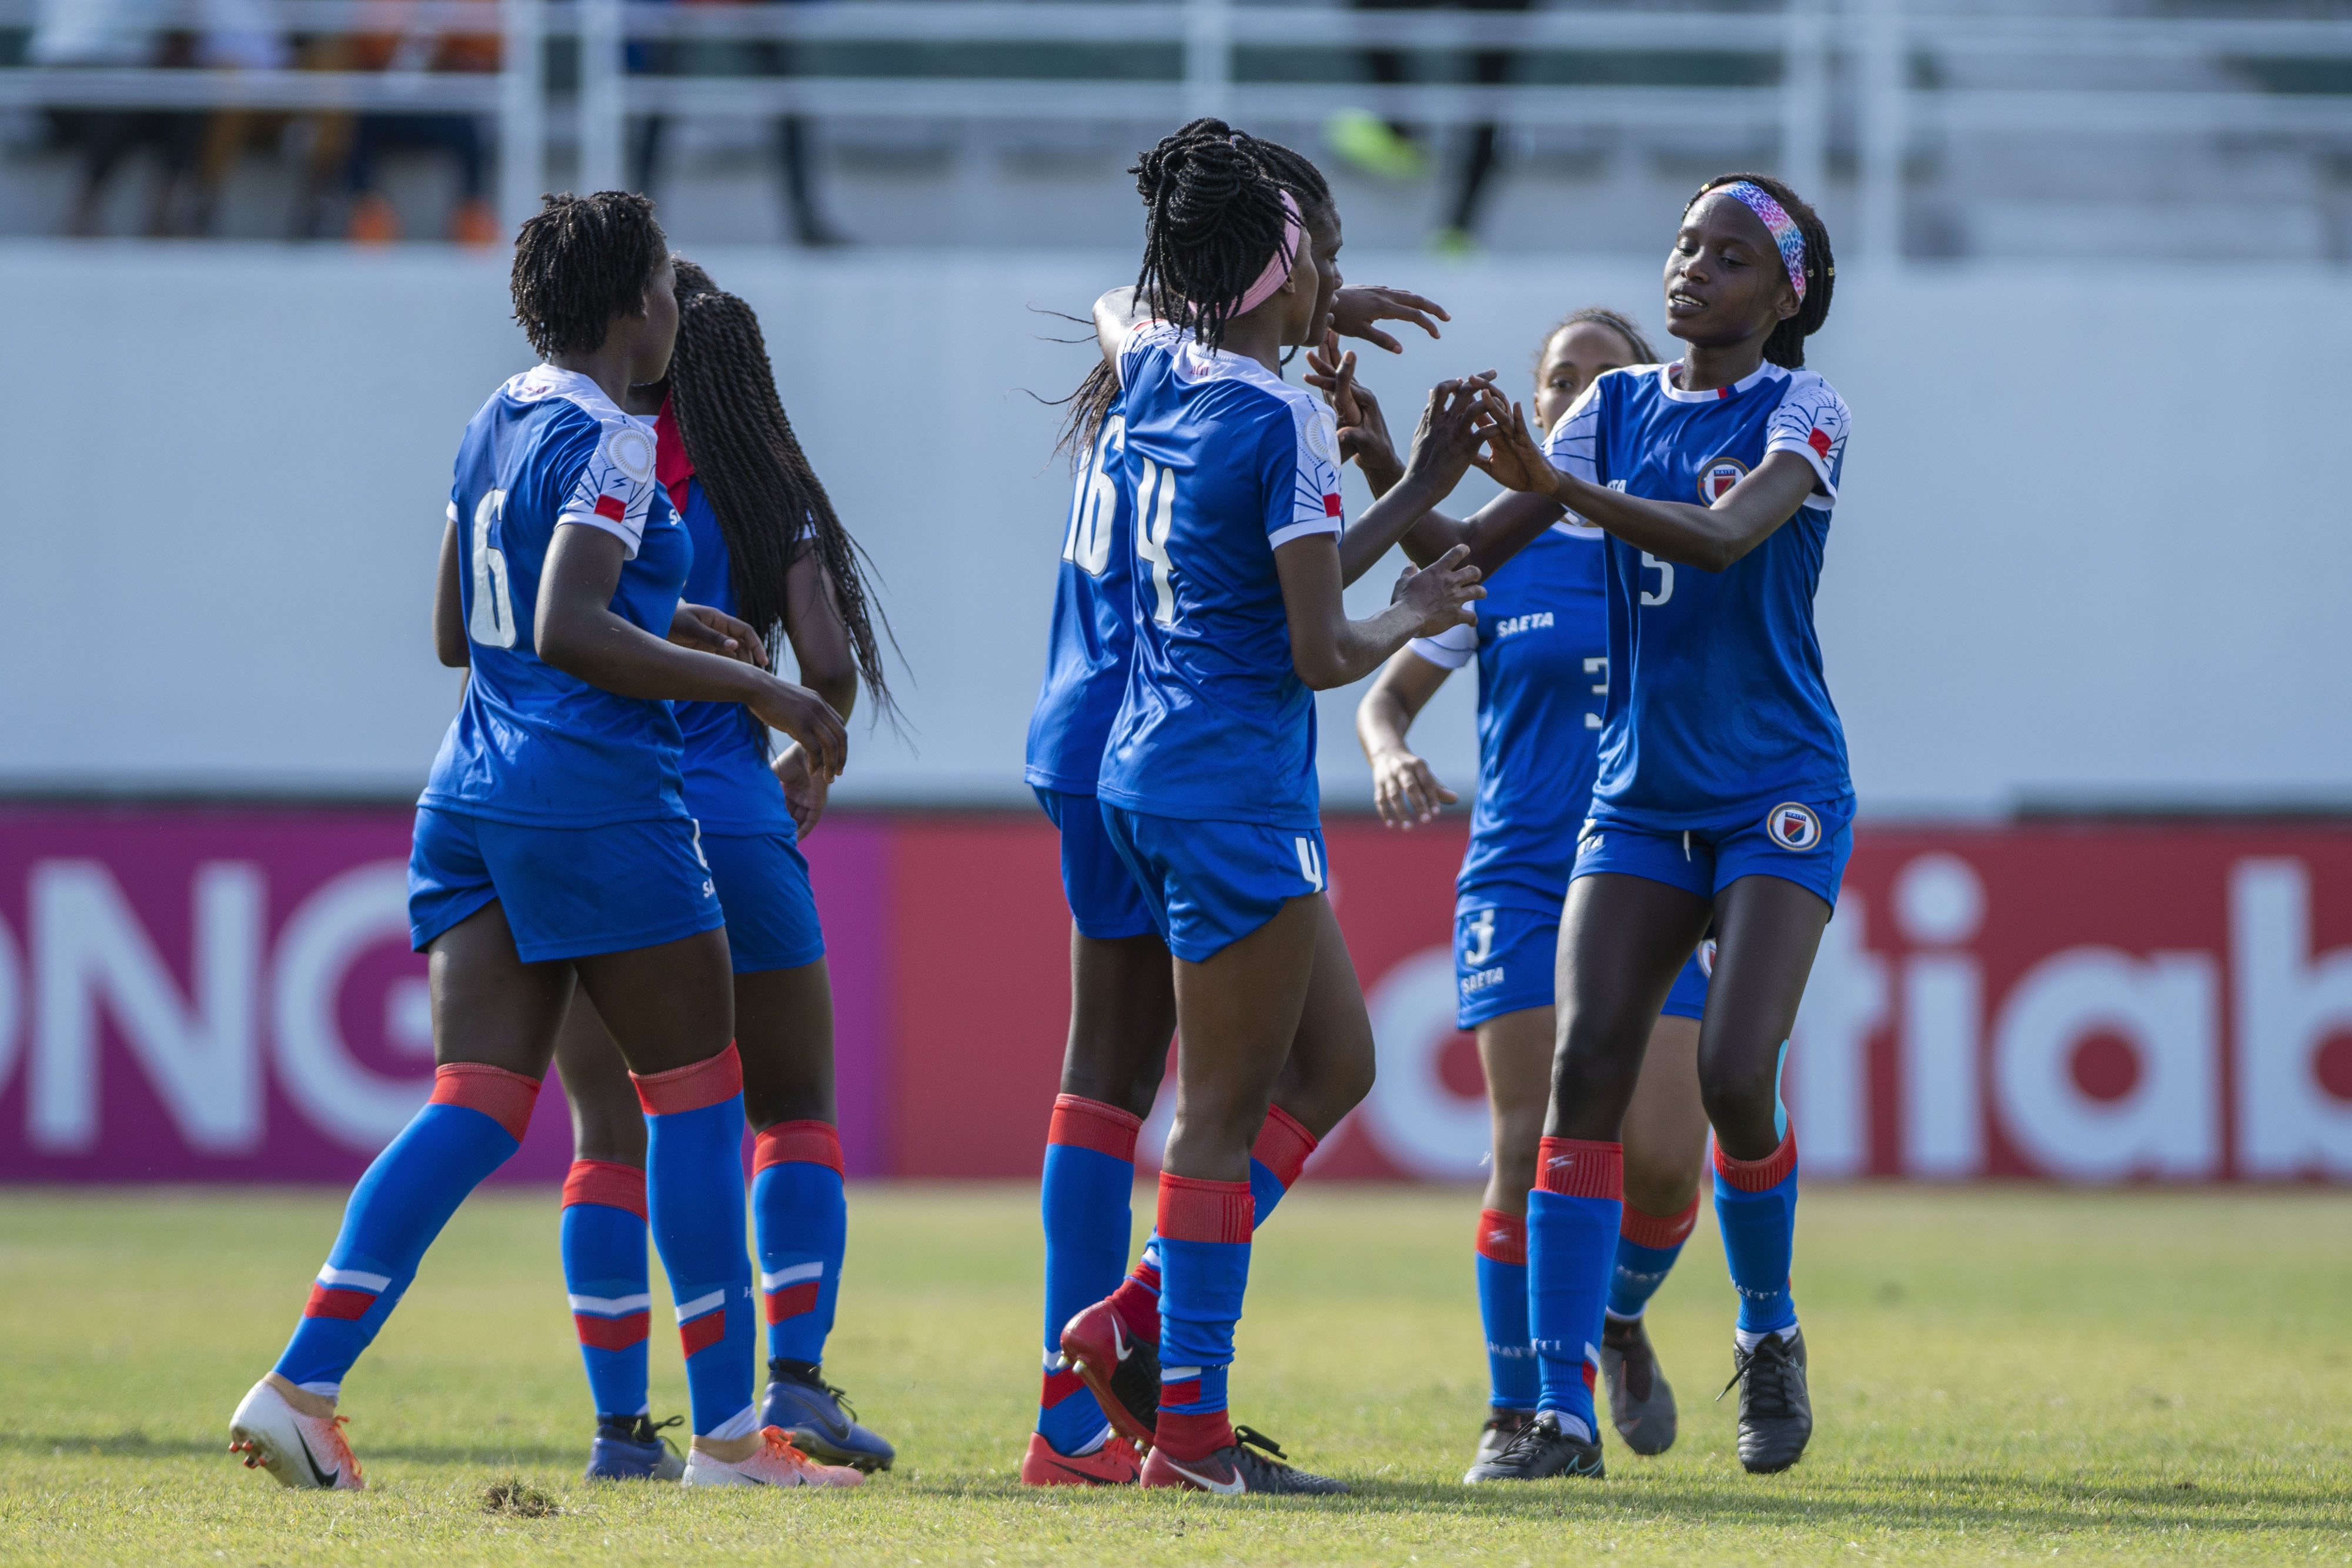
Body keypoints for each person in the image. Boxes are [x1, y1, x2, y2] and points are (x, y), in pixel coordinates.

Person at [226, 190, 860, 1492]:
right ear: (635, 305)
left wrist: (667, 614)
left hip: (469, 795)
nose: (678, 314)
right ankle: (734, 1439)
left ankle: (300, 1383)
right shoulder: (619, 443)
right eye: (668, 294)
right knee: (695, 1098)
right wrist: (754, 687)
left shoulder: (492, 420)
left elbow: (468, 629)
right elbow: (569, 627)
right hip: (594, 801)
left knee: (475, 1102)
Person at [1376, 173, 1845, 1481]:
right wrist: (1393, 464)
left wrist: (1563, 488)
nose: (1692, 267)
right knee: (1579, 1080)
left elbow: (1714, 536)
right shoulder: (1612, 409)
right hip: (1638, 794)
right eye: (1686, 242)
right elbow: (1481, 544)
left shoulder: (1803, 410)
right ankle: (1555, 1417)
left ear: (1784, 294)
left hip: (1771, 788)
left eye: (1731, 255)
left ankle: (1765, 1328)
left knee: (1732, 1076)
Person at [1018, 129, 1461, 1488]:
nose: (1334, 268)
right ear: (1279, 266)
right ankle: (1192, 1437)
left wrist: (1418, 490)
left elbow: (1132, 305)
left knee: (1335, 1063)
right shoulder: (1281, 416)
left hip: (1149, 771)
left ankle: (1133, 1318)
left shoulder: (1156, 364)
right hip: (1225, 785)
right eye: (1319, 248)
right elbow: (1322, 647)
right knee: (1212, 1117)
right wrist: (1423, 605)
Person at [1341, 307, 1719, 1473]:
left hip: (1654, 877)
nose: (1571, 394)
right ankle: (1523, 1412)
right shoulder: (1498, 568)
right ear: (1537, 404)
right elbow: (1385, 688)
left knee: (1661, 1161)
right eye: (1556, 379)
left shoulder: (1681, 543)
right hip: (1518, 879)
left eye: (1600, 377)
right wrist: (1388, 752)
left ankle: (1604, 1313)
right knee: (1527, 1137)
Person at [550, 256, 899, 1483]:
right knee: (790, 1105)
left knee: (611, 1127)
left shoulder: (580, 465)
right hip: (737, 817)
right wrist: (807, 754)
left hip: (600, 825)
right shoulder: (766, 494)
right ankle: (791, 1385)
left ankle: (618, 1430)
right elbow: (825, 660)